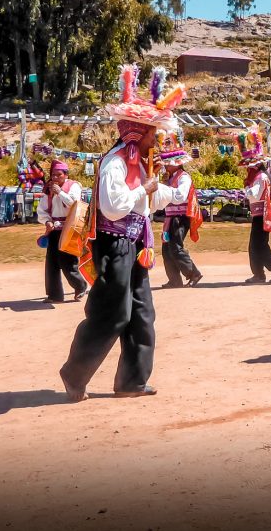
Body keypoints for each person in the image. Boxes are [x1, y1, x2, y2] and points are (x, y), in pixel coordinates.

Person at [59, 65, 185, 402]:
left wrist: (164, 190)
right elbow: (113, 207)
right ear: (136, 133)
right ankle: (74, 374)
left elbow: (147, 204)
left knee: (142, 313)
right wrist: (144, 187)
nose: (155, 140)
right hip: (115, 245)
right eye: (151, 134)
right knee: (112, 313)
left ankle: (132, 380)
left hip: (137, 244)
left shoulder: (141, 164)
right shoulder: (115, 163)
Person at [238, 125, 271, 284]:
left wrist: (246, 190)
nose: (248, 167)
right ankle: (259, 273)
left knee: (259, 245)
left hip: (263, 216)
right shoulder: (260, 176)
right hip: (259, 215)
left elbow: (255, 194)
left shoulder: (261, 178)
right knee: (255, 245)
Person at [157, 128, 204, 289]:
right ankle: (174, 279)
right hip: (170, 218)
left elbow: (181, 196)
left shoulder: (184, 177)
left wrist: (163, 189)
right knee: (166, 249)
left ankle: (193, 273)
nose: (165, 167)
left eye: (167, 164)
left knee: (176, 247)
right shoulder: (169, 179)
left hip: (180, 218)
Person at [36, 159, 88, 303]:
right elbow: (42, 210)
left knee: (67, 261)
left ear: (65, 175)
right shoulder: (48, 189)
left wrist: (60, 192)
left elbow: (74, 204)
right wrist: (47, 221)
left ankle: (80, 285)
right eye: (53, 175)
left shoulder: (74, 186)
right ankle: (54, 295)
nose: (55, 178)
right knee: (52, 262)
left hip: (71, 228)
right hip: (54, 229)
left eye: (58, 175)